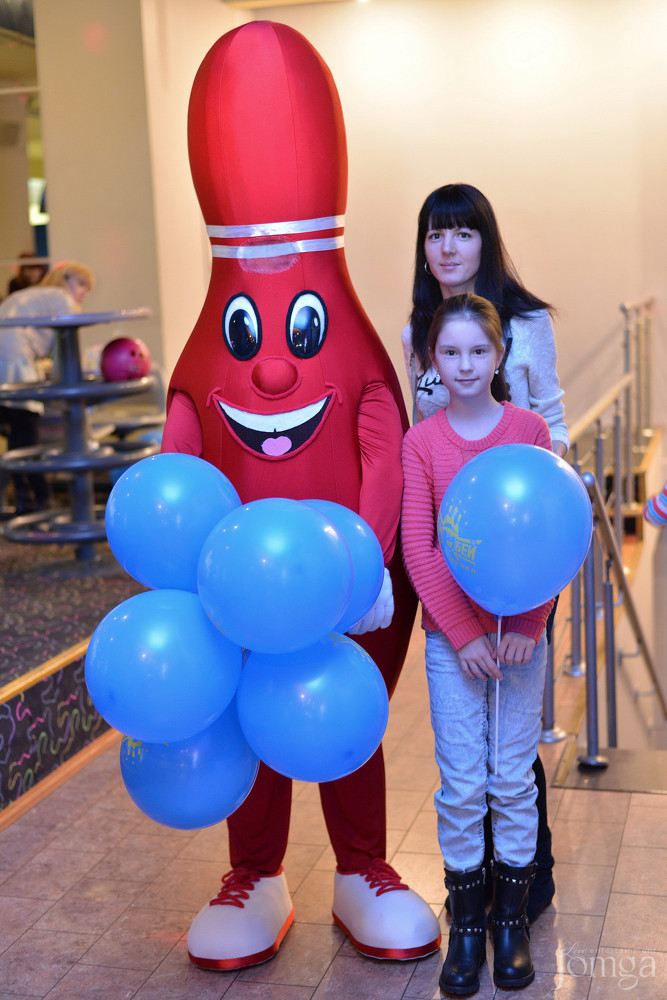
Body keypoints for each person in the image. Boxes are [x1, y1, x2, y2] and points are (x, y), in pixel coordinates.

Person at [402, 183, 566, 924]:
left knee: (511, 752)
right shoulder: (417, 332)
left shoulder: (525, 324)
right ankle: (476, 902)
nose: (447, 248)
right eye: (435, 235)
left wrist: (540, 509)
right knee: (467, 756)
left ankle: (522, 894)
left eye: (461, 234)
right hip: (454, 562)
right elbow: (422, 454)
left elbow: (550, 420)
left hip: (524, 548)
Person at [0, 261, 94, 514]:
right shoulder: (62, 298)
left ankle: (27, 499)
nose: (84, 292)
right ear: (65, 279)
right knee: (27, 439)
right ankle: (41, 501)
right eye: (81, 284)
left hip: (7, 364)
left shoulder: (32, 295)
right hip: (15, 364)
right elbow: (68, 354)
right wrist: (73, 386)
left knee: (18, 440)